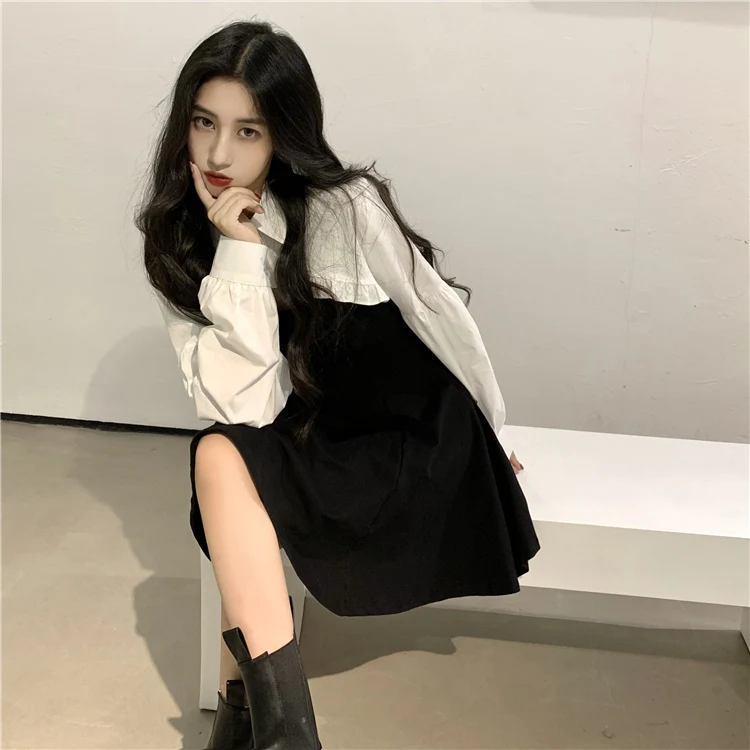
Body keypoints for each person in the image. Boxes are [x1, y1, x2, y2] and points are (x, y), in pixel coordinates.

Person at [135, 18, 540, 750]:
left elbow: (439, 318)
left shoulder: (345, 206)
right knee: (220, 453)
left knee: (222, 474)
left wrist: (490, 432)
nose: (219, 154)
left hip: (407, 436)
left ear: (283, 135)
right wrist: (239, 252)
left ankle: (247, 724)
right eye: (203, 123)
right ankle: (284, 736)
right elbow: (244, 406)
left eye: (248, 131)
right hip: (307, 431)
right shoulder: (177, 239)